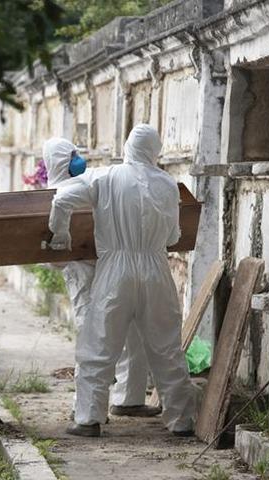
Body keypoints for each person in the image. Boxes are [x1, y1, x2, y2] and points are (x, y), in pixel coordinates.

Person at [48, 124, 197, 437]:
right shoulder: (168, 184)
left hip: (115, 269)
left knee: (99, 345)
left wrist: (61, 237)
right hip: (156, 269)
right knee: (166, 347)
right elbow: (173, 236)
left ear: (128, 146)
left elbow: (61, 200)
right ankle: (181, 422)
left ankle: (88, 419)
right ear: (155, 151)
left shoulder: (104, 176)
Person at [42, 138, 161, 422]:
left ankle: (129, 399)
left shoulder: (95, 181)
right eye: (71, 155)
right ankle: (84, 407)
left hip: (115, 265)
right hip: (84, 270)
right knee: (92, 335)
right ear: (58, 161)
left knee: (133, 329)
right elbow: (52, 252)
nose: (78, 158)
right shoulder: (54, 194)